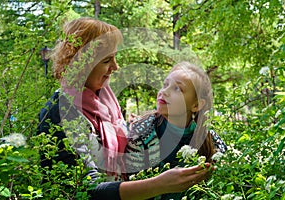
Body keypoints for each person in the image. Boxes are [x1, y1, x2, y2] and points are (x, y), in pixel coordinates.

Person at [37, 17, 214, 200]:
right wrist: (158, 185)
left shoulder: (106, 102)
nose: (116, 66)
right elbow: (81, 192)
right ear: (81, 63)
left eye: (115, 57)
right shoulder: (60, 113)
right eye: (107, 60)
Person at [125, 61, 227, 199]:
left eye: (177, 89)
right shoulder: (142, 133)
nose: (164, 92)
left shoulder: (209, 138)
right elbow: (131, 185)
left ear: (196, 105)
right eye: (165, 85)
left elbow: (225, 179)